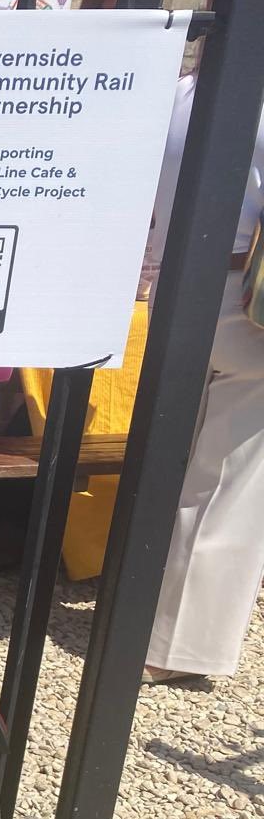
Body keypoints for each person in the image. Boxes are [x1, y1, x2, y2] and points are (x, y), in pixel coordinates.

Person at [143, 73, 264, 683]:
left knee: (170, 458)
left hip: (176, 285)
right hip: (249, 295)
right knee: (233, 477)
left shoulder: (179, 91)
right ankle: (175, 644)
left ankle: (138, 599)